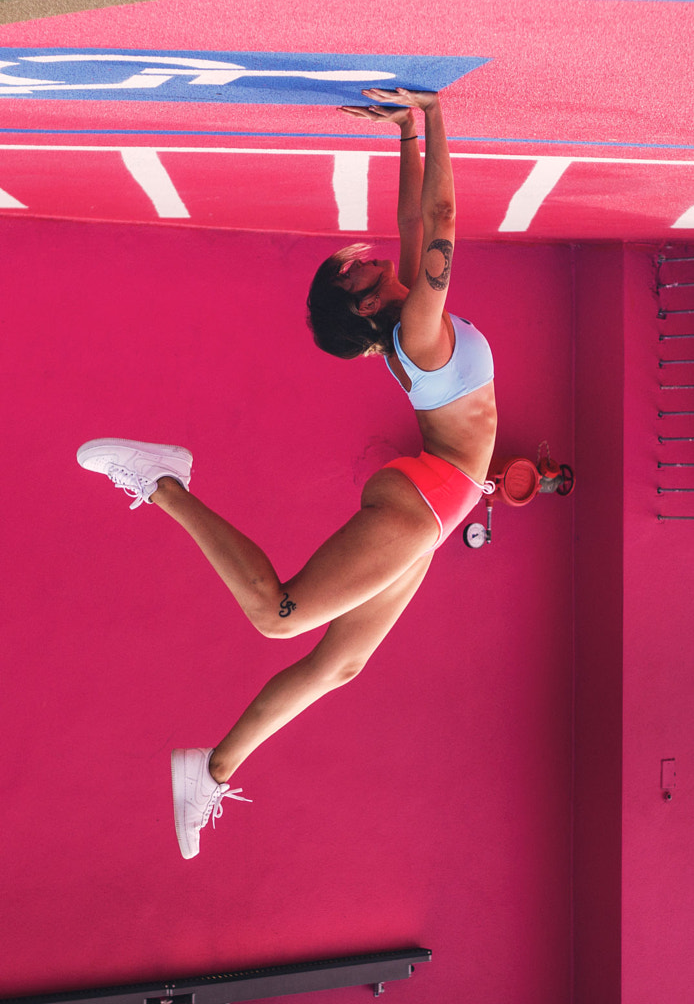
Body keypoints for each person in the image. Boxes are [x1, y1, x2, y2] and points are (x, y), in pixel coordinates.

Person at [76, 89, 497, 860]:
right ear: (368, 310)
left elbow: (412, 227)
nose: (374, 262)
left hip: (435, 492)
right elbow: (438, 224)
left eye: (364, 266)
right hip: (430, 497)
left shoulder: (404, 316)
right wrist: (434, 115)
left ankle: (211, 768)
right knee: (291, 626)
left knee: (335, 658)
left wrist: (404, 132)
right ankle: (164, 483)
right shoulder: (418, 326)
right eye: (362, 276)